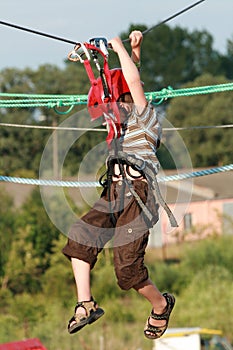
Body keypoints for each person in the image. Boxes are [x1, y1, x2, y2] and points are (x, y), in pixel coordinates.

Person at [62, 30, 175, 340]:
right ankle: (85, 304)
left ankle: (161, 305)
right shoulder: (117, 124)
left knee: (126, 271)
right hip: (113, 192)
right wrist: (133, 51)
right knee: (80, 237)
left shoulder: (144, 118)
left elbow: (133, 84)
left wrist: (117, 46)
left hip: (139, 197)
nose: (106, 116)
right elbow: (118, 84)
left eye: (113, 107)